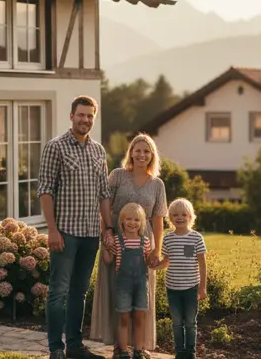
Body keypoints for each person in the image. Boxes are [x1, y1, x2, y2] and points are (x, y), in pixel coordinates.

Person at [38, 95, 112, 359]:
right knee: (58, 292)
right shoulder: (55, 147)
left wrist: (108, 230)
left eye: (90, 115)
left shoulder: (98, 151)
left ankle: (75, 346)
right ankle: (56, 349)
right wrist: (52, 230)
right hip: (65, 233)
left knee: (79, 293)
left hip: (91, 234)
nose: (86, 120)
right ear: (72, 116)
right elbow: (45, 190)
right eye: (81, 115)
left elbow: (104, 194)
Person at [90, 134, 167, 357]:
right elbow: (104, 206)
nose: (142, 155)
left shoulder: (157, 184)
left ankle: (139, 347)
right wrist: (106, 235)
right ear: (131, 152)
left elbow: (158, 219)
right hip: (115, 239)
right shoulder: (118, 176)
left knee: (141, 297)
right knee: (117, 294)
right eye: (138, 150)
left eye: (147, 151)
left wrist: (156, 249)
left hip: (143, 243)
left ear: (152, 155)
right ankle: (119, 346)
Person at [154, 198, 208, 359]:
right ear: (170, 218)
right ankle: (179, 352)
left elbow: (202, 264)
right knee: (177, 323)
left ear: (191, 217)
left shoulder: (196, 238)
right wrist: (153, 266)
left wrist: (202, 287)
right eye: (175, 215)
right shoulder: (168, 239)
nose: (180, 217)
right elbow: (166, 262)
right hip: (172, 289)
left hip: (191, 288)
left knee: (190, 323)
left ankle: (190, 352)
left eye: (184, 214)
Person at [101, 203, 154, 359]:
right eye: (129, 219)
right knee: (123, 318)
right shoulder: (117, 240)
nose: (132, 223)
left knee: (139, 318)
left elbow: (149, 263)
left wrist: (158, 258)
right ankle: (123, 351)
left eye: (137, 220)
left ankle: (138, 351)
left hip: (140, 286)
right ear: (122, 221)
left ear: (142, 222)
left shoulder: (145, 241)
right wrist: (105, 247)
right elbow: (108, 261)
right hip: (122, 286)